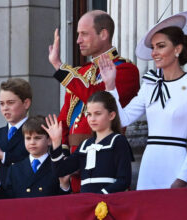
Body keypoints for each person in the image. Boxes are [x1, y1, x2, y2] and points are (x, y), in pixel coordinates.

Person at [100, 11, 187, 190]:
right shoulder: (150, 84)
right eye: (153, 47)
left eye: (160, 46)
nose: (155, 53)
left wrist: (183, 177)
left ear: (177, 49)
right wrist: (110, 85)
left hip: (177, 163)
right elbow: (124, 119)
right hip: (150, 164)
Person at [48, 10, 140, 192]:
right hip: (75, 161)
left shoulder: (126, 70)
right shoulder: (80, 73)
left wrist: (60, 67)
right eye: (77, 35)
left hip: (106, 158)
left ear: (104, 34)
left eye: (84, 34)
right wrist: (65, 154)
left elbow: (96, 98)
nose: (78, 41)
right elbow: (65, 117)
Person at [43, 91, 133, 194]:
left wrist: (101, 195)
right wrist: (56, 143)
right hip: (87, 203)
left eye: (97, 114)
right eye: (89, 114)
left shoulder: (118, 141)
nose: (92, 119)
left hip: (109, 203)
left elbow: (124, 180)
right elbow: (60, 170)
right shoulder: (85, 145)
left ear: (111, 115)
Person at [0, 116, 70, 199]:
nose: (32, 142)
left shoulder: (57, 166)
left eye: (37, 138)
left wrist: (64, 185)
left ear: (49, 140)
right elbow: (7, 203)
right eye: (28, 138)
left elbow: (63, 203)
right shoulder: (15, 169)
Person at [0, 78, 32, 199]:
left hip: (22, 198)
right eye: (2, 103)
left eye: (10, 102)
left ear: (26, 103)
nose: (5, 108)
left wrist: (4, 156)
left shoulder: (36, 132)